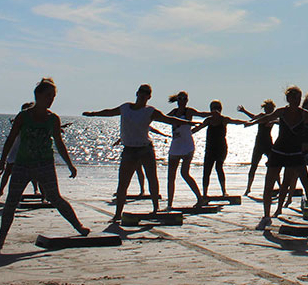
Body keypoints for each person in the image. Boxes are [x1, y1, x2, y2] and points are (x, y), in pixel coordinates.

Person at [0, 78, 89, 250]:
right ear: (37, 95)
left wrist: (70, 164)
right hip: (22, 165)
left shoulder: (53, 119)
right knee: (11, 202)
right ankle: (1, 237)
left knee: (55, 197)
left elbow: (59, 143)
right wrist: (2, 161)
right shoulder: (23, 116)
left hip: (45, 165)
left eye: (53, 96)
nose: (51, 99)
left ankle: (78, 226)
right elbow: (11, 139)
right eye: (48, 95)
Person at [83, 84, 189, 220]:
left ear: (149, 96)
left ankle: (155, 209)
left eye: (146, 93)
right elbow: (109, 112)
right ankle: (117, 214)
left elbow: (168, 120)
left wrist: (186, 123)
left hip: (145, 149)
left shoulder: (150, 111)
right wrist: (93, 114)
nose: (143, 95)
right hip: (129, 150)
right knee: (123, 183)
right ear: (137, 93)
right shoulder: (126, 108)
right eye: (141, 92)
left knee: (152, 179)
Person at [250, 86, 308, 230]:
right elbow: (267, 118)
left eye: (298, 98)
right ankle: (266, 217)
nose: (296, 101)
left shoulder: (304, 114)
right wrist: (251, 122)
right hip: (279, 150)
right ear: (288, 99)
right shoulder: (282, 111)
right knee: (269, 183)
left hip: (295, 152)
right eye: (293, 98)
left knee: (306, 183)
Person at [165, 91, 210, 209]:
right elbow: (163, 118)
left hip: (187, 146)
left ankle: (200, 198)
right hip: (175, 146)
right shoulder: (173, 112)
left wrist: (212, 114)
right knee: (171, 176)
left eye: (184, 99)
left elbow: (201, 114)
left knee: (184, 173)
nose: (182, 101)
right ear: (177, 100)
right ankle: (169, 204)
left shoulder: (188, 111)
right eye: (180, 99)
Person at [193, 100, 244, 197]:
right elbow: (198, 128)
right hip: (210, 148)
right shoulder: (208, 120)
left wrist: (248, 122)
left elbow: (235, 121)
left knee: (219, 167)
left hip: (221, 148)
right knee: (206, 170)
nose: (215, 110)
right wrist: (187, 133)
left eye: (217, 108)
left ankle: (224, 191)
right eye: (213, 108)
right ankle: (204, 193)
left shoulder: (223, 119)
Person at [237, 100, 277, 196]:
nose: (269, 110)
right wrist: (244, 111)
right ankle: (248, 188)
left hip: (268, 143)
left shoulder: (273, 117)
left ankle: (279, 185)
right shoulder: (261, 116)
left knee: (274, 165)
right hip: (259, 143)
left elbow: (276, 121)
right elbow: (253, 118)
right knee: (253, 166)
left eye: (271, 108)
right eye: (267, 108)